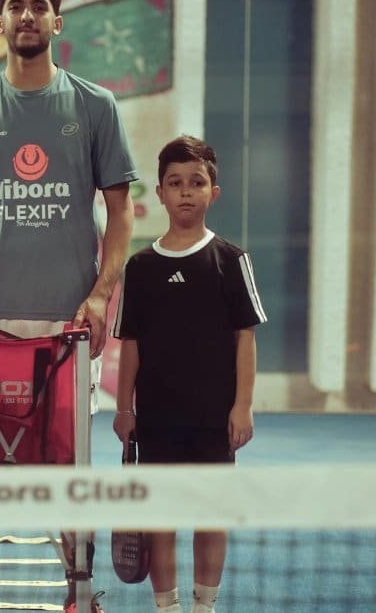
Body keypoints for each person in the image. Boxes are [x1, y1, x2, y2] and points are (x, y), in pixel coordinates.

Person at [0, 0, 137, 613]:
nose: (26, 15)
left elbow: (123, 209)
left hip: (67, 322)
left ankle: (80, 586)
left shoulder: (96, 107)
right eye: (14, 5)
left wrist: (101, 294)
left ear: (56, 20)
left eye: (38, 5)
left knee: (68, 463)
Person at [111, 135, 266, 613]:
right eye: (174, 183)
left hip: (213, 419)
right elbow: (130, 343)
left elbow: (246, 337)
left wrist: (242, 405)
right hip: (157, 419)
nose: (185, 192)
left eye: (196, 183)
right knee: (161, 518)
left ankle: (204, 607)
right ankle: (168, 608)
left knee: (209, 516)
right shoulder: (139, 266)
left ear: (213, 192)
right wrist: (123, 407)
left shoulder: (231, 260)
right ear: (158, 192)